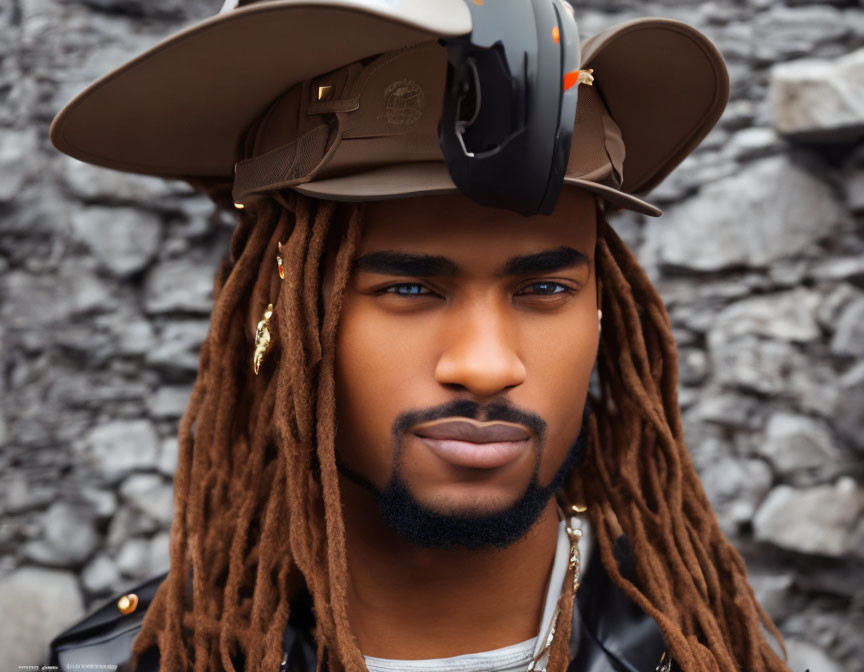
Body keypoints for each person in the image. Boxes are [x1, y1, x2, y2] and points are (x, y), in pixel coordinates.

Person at [46, 2, 792, 671]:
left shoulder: (703, 649)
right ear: (270, 311)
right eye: (408, 288)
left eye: (544, 289)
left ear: (604, 313)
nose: (486, 367)